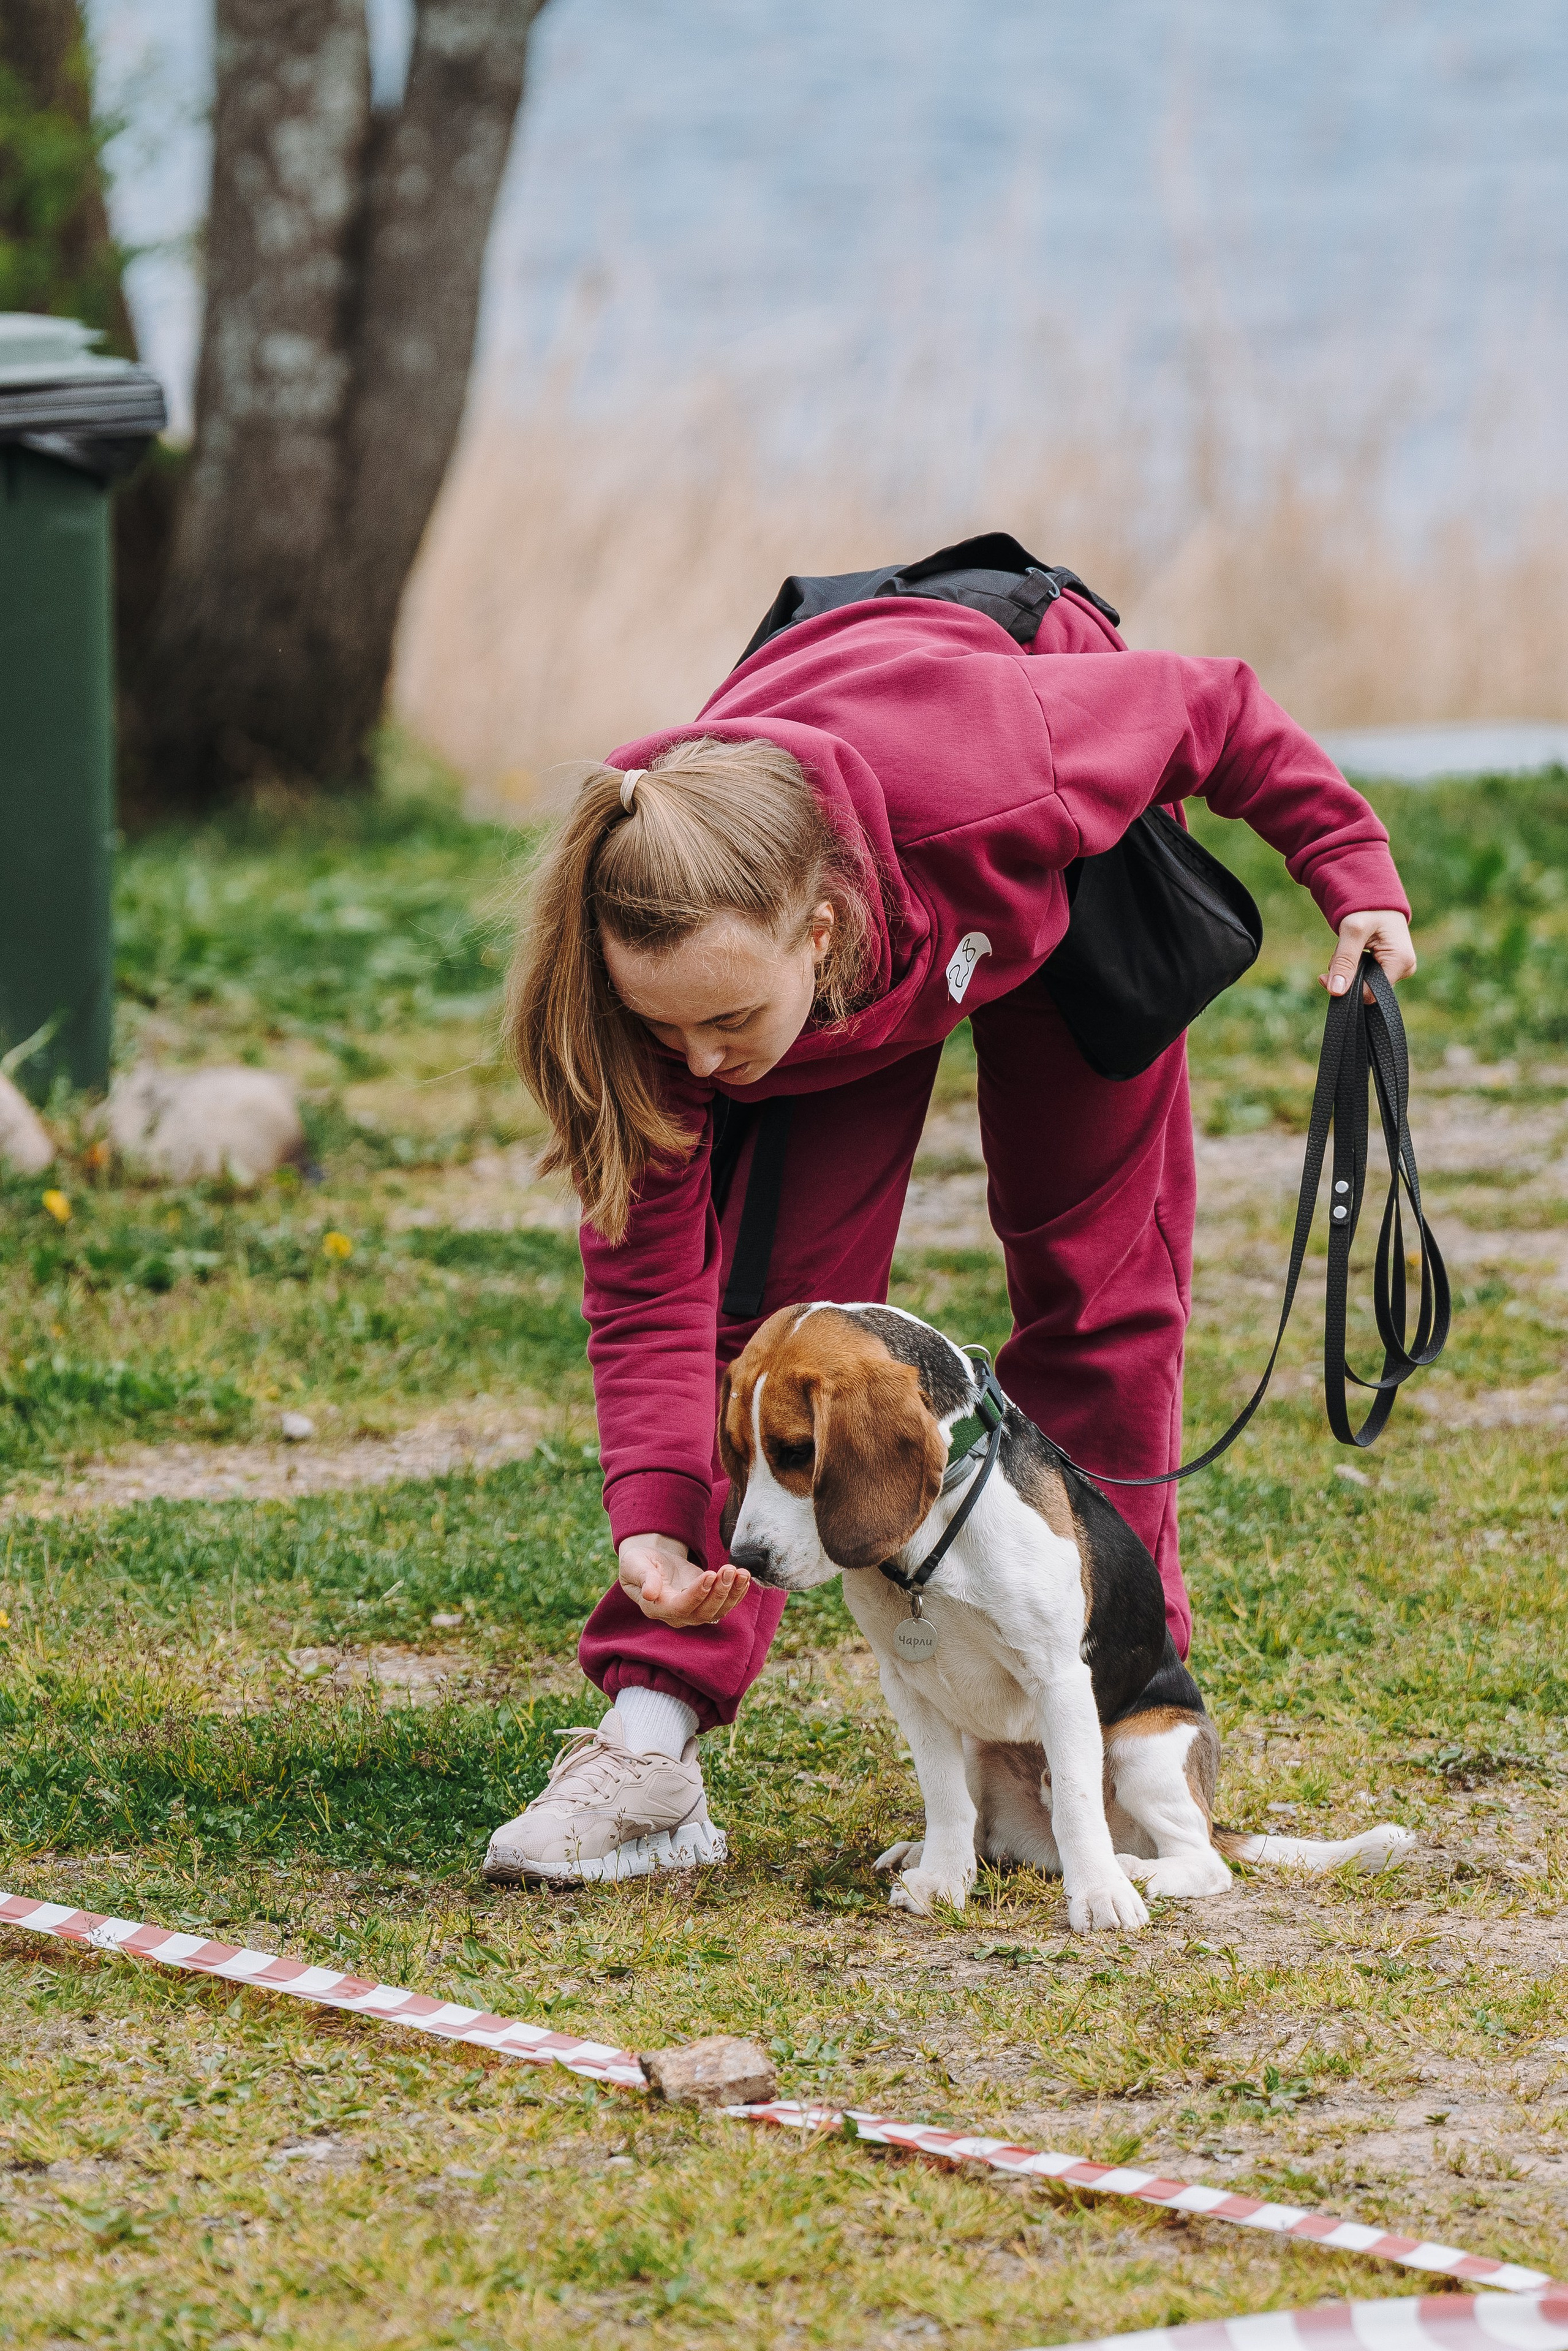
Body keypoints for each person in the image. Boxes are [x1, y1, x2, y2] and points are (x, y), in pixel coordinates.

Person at [481, 584, 1416, 1885]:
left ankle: (1084, 1734)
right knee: (778, 1344)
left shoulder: (1006, 769)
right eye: (666, 1030)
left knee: (1105, 1307)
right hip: (854, 941)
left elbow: (1216, 702)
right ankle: (650, 1746)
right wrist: (649, 1511)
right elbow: (652, 1298)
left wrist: (1350, 871)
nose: (699, 1063)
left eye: (724, 1025)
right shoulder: (662, 938)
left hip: (1037, 876)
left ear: (815, 932)